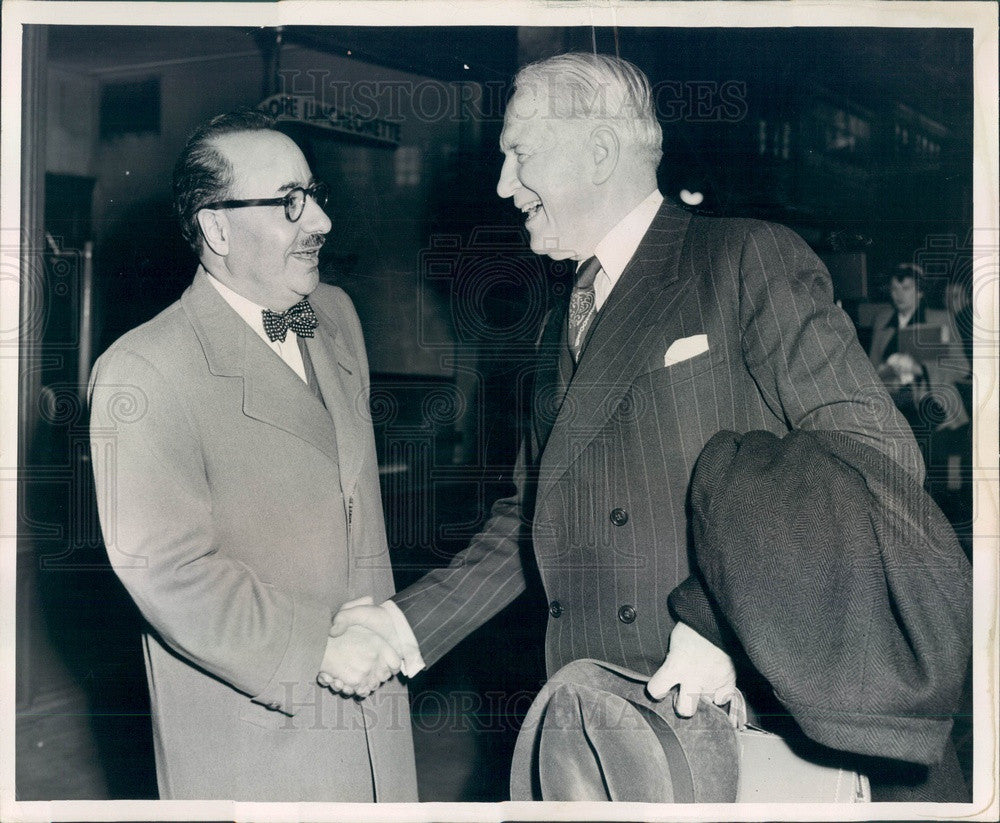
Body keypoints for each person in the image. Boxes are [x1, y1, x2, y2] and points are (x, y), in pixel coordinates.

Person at [326, 51, 922, 778]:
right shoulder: (559, 324)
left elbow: (870, 453)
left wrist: (719, 623)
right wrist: (400, 627)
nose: (504, 185)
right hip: (592, 714)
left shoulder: (743, 259)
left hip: (731, 708)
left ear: (599, 151)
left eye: (519, 153)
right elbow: (528, 518)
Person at [88, 110, 417, 801]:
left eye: (315, 194)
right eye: (290, 201)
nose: (321, 219)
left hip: (375, 718)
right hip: (259, 735)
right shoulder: (145, 370)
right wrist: (319, 649)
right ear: (217, 227)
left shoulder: (333, 314)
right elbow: (168, 568)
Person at [869, 263, 970, 431]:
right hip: (890, 402)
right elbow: (871, 367)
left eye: (906, 288)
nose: (898, 295)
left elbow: (962, 368)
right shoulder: (882, 320)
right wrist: (885, 370)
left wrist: (922, 369)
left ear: (920, 291)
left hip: (932, 405)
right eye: (894, 289)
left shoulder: (941, 319)